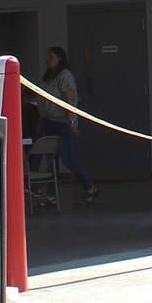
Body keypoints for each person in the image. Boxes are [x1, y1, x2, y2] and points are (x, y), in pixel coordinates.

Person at [35, 46, 98, 204]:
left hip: (63, 123)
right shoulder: (46, 78)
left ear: (60, 58)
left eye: (51, 56)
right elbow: (43, 103)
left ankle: (90, 187)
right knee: (50, 160)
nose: (47, 59)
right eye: (47, 56)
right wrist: (40, 123)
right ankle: (51, 195)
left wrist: (70, 123)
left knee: (67, 158)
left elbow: (68, 100)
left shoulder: (65, 76)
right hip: (49, 122)